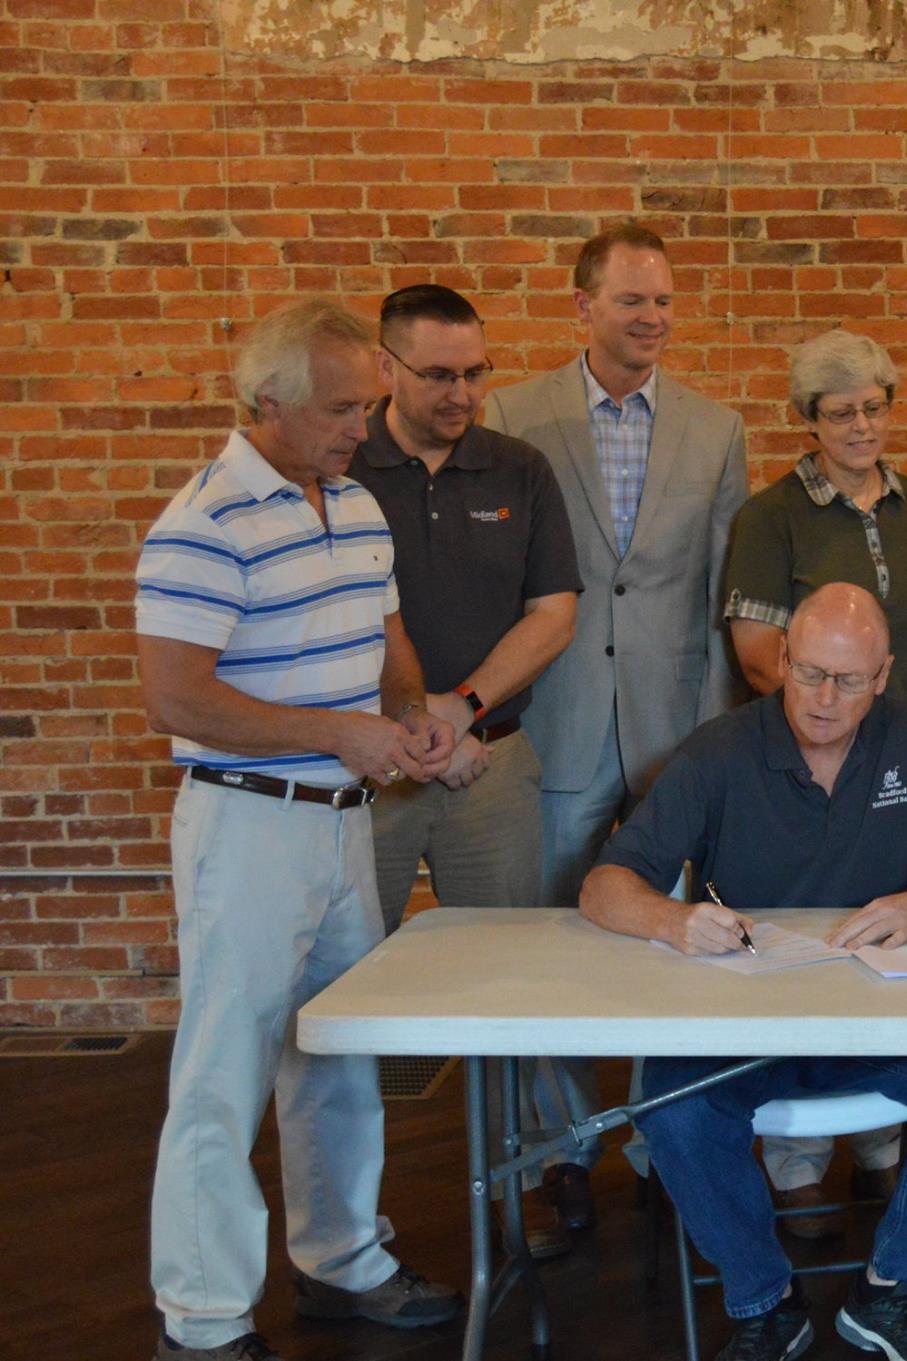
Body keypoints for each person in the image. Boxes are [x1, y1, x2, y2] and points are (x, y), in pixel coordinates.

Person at [579, 584, 907, 1361]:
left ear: (884, 675)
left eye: (849, 680)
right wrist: (672, 918)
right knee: (670, 1104)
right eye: (811, 672)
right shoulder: (719, 751)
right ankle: (765, 1299)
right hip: (748, 1019)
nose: (825, 698)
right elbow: (603, 885)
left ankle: (889, 1290)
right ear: (782, 660)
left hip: (878, 1015)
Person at [136, 300, 463, 1361]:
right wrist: (335, 731)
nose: (360, 425)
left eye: (366, 403)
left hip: (340, 822)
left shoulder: (356, 503)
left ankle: (343, 1260)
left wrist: (409, 719)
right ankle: (203, 1314)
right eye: (339, 408)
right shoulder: (203, 520)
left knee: (335, 1053)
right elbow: (176, 697)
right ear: (264, 402)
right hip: (246, 825)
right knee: (224, 1068)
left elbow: (386, 635)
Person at [480, 221, 750, 1231]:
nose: (652, 318)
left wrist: (719, 730)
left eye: (665, 300)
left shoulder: (715, 428)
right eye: (632, 299)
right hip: (556, 718)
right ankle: (564, 1138)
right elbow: (500, 580)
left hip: (674, 723)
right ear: (582, 304)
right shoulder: (515, 413)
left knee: (671, 937)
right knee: (552, 929)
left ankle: (656, 1136)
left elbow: (725, 593)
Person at [724, 329, 907, 1237]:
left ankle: (879, 1142)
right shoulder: (770, 517)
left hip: (899, 765)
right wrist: (845, 729)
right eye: (841, 412)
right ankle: (795, 1163)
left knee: (894, 943)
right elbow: (759, 660)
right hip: (807, 763)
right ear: (808, 421)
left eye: (875, 405)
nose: (863, 424)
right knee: (812, 941)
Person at [350, 285, 580, 937]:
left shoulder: (521, 470)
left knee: (503, 976)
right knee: (356, 970)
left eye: (475, 372)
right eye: (439, 375)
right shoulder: (342, 471)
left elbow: (553, 615)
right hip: (368, 765)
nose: (463, 393)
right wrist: (414, 722)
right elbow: (324, 620)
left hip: (488, 762)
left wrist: (461, 709)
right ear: (386, 368)